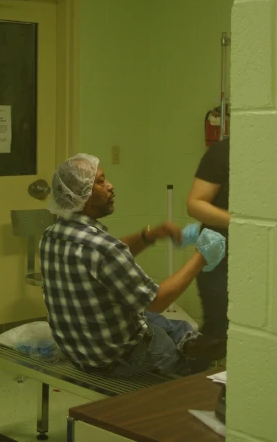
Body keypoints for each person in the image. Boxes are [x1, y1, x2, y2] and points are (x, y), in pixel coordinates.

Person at [39, 153, 226, 377]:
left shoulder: (51, 236)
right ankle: (189, 354)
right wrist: (200, 258)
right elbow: (157, 301)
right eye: (100, 182)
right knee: (192, 361)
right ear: (82, 195)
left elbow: (110, 256)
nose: (110, 186)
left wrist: (149, 236)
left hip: (80, 352)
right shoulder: (103, 248)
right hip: (122, 359)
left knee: (158, 322)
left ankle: (189, 340)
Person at [187, 136, 230, 345]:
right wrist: (245, 224)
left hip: (258, 258)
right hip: (218, 258)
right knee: (218, 333)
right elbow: (195, 204)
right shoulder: (223, 151)